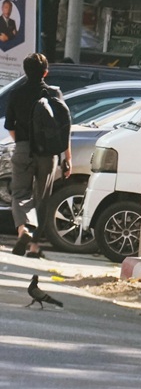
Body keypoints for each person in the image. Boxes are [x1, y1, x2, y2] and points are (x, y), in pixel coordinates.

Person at [4, 53, 71, 257]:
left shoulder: (17, 93)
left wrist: (22, 144)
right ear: (46, 72)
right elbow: (64, 128)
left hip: (24, 149)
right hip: (48, 153)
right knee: (42, 198)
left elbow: (9, 126)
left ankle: (23, 229)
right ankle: (34, 247)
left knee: (20, 194)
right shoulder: (54, 93)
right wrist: (67, 157)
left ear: (25, 71)